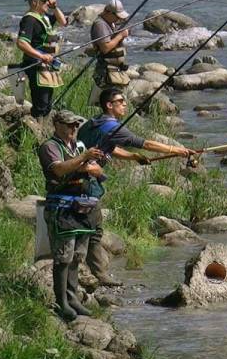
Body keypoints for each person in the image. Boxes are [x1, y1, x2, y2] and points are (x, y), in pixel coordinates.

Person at [76, 88, 196, 286]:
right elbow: (144, 143)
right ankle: (88, 274)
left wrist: (132, 156)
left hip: (78, 178)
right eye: (120, 101)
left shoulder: (94, 122)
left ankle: (92, 272)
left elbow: (110, 147)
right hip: (86, 183)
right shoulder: (112, 126)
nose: (124, 104)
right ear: (109, 105)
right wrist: (177, 150)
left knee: (89, 228)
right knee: (91, 229)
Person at [37, 109, 105, 321]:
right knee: (63, 257)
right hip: (61, 208)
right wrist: (84, 159)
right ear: (56, 125)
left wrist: (94, 169)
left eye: (76, 125)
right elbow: (58, 170)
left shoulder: (80, 146)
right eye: (69, 125)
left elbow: (99, 173)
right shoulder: (49, 147)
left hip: (83, 208)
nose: (74, 129)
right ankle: (62, 302)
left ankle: (73, 297)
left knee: (77, 256)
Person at [17, 0, 67, 118]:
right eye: (44, 1)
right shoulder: (29, 20)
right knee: (41, 103)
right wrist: (41, 56)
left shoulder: (43, 18)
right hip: (35, 64)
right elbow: (21, 43)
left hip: (47, 64)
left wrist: (55, 7)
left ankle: (42, 127)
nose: (47, 3)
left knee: (48, 103)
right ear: (34, 2)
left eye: (47, 1)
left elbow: (63, 22)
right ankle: (35, 128)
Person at [89, 0, 133, 104]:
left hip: (114, 72)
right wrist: (120, 35)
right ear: (108, 12)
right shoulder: (100, 24)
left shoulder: (110, 23)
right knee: (110, 104)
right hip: (106, 73)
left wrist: (121, 35)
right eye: (117, 16)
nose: (118, 19)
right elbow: (105, 48)